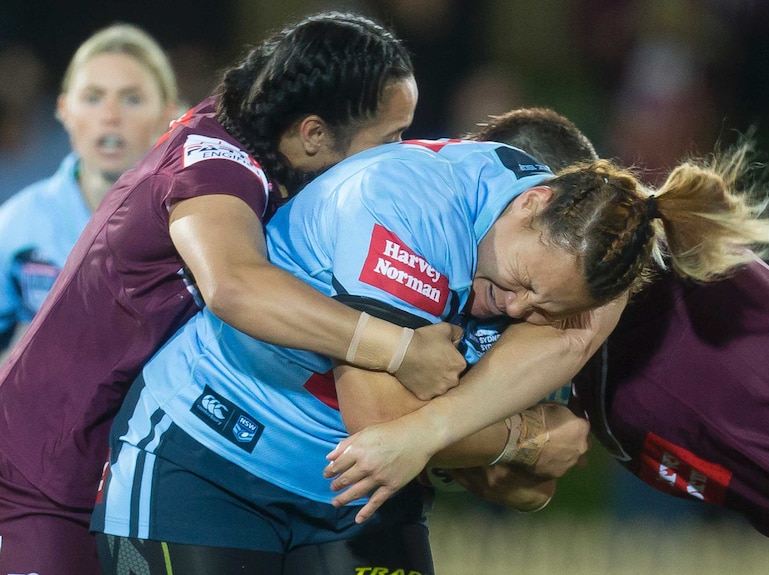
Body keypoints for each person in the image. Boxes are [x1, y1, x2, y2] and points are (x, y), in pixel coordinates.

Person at [91, 126, 769, 573]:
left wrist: (465, 439)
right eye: (521, 285)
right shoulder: (407, 206)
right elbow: (380, 429)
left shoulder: (589, 273)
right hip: (209, 459)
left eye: (543, 309)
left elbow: (525, 489)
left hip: (354, 499)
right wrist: (517, 434)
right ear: (530, 200)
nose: (517, 308)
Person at [0, 12, 466, 575]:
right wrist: (399, 351)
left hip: (109, 456)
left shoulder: (271, 152)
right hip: (46, 466)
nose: (401, 153)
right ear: (314, 133)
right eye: (390, 137)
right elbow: (235, 286)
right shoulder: (214, 160)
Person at [333, 113, 769, 575]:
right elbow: (524, 483)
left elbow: (423, 428)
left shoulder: (618, 270)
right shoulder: (539, 325)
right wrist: (507, 440)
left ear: (544, 203)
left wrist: (430, 429)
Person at [0, 24, 179, 354]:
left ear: (168, 115)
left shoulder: (198, 222)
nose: (110, 116)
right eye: (93, 97)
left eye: (132, 98)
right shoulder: (17, 225)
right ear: (65, 110)